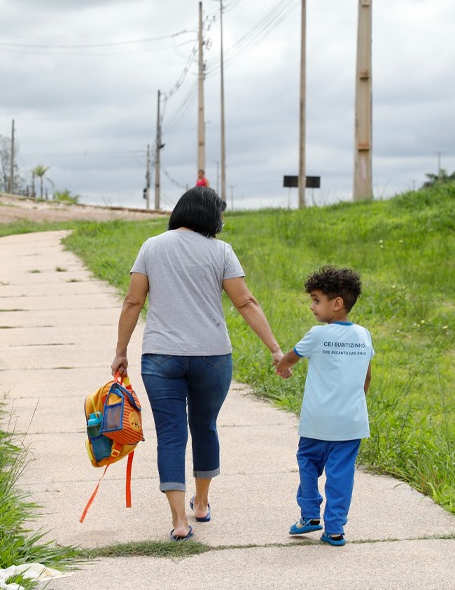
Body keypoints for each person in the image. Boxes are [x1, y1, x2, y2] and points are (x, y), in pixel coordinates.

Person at [112, 186, 284, 541]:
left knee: (171, 435)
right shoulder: (222, 251)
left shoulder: (151, 246)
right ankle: (201, 504)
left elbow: (132, 302)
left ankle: (179, 521)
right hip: (212, 357)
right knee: (204, 426)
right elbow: (246, 302)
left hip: (160, 356)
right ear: (210, 216)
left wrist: (121, 351)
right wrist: (275, 349)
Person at [275, 266, 374, 547]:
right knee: (341, 475)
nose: (312, 306)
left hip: (317, 422)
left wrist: (282, 367)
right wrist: (355, 402)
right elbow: (366, 376)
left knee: (308, 464)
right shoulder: (364, 335)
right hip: (350, 423)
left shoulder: (317, 335)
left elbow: (292, 356)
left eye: (317, 300)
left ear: (337, 303)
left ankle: (309, 515)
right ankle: (335, 529)